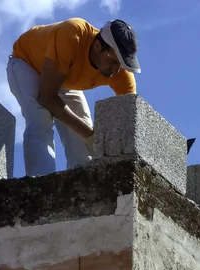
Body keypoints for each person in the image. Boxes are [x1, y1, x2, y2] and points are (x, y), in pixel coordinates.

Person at [7, 17, 141, 176]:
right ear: (97, 46)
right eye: (112, 61)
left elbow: (130, 118)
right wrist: (91, 135)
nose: (116, 69)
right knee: (40, 119)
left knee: (81, 136)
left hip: (63, 78)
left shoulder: (120, 72)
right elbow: (47, 98)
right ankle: (41, 184)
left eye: (120, 64)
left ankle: (83, 187)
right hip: (27, 63)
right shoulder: (73, 34)